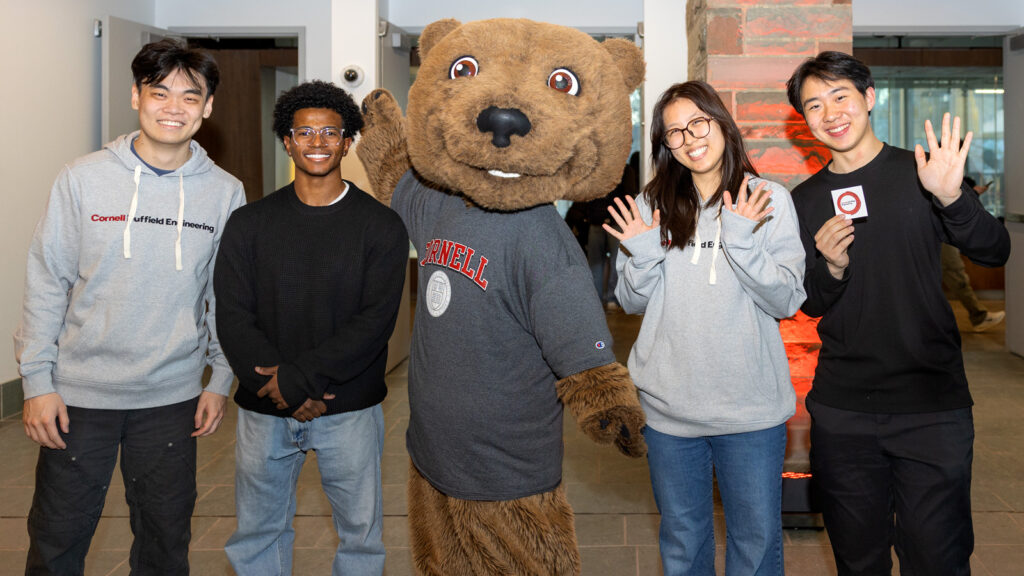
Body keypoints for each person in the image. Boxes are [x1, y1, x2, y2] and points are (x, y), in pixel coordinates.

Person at [13, 39, 244, 574]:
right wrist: (38, 383)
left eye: (190, 97)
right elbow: (47, 280)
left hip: (171, 398)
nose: (174, 108)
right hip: (76, 396)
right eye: (159, 93)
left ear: (207, 107)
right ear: (136, 96)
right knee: (55, 540)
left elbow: (224, 295)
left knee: (165, 543)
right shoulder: (82, 177)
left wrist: (219, 379)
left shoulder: (224, 192)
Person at [785, 51, 1011, 575]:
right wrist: (833, 267)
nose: (830, 113)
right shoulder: (805, 199)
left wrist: (953, 197)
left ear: (868, 98)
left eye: (840, 96)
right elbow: (810, 300)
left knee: (938, 559)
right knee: (858, 561)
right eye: (814, 105)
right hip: (844, 412)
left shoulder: (924, 172)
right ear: (805, 121)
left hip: (932, 406)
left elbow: (995, 251)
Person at [604, 80, 806, 576]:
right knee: (682, 542)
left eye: (698, 122)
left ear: (721, 123)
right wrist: (645, 250)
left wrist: (741, 242)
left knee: (755, 544)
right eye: (673, 131)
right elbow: (630, 301)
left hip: (750, 409)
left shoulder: (767, 199)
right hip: (670, 409)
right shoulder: (652, 204)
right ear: (664, 145)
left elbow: (786, 298)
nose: (689, 137)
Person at [214, 80, 409, 576]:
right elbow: (234, 314)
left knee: (360, 538)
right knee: (258, 533)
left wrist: (299, 380)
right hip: (264, 408)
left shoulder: (381, 226)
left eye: (330, 133)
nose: (317, 142)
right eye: (305, 132)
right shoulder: (249, 223)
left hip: (348, 408)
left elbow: (375, 321)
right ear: (287, 140)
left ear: (348, 142)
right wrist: (275, 385)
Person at [941, 176, 1005, 332]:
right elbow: (950, 203)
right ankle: (978, 316)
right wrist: (973, 193)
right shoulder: (937, 172)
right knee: (956, 275)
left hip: (938, 234)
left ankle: (978, 316)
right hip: (940, 235)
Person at [584, 158, 638, 309]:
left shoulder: (625, 170)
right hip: (595, 222)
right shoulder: (594, 169)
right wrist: (591, 215)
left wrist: (613, 214)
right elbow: (587, 194)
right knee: (595, 263)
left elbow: (629, 196)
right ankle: (596, 299)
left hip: (615, 223)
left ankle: (612, 298)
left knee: (616, 262)